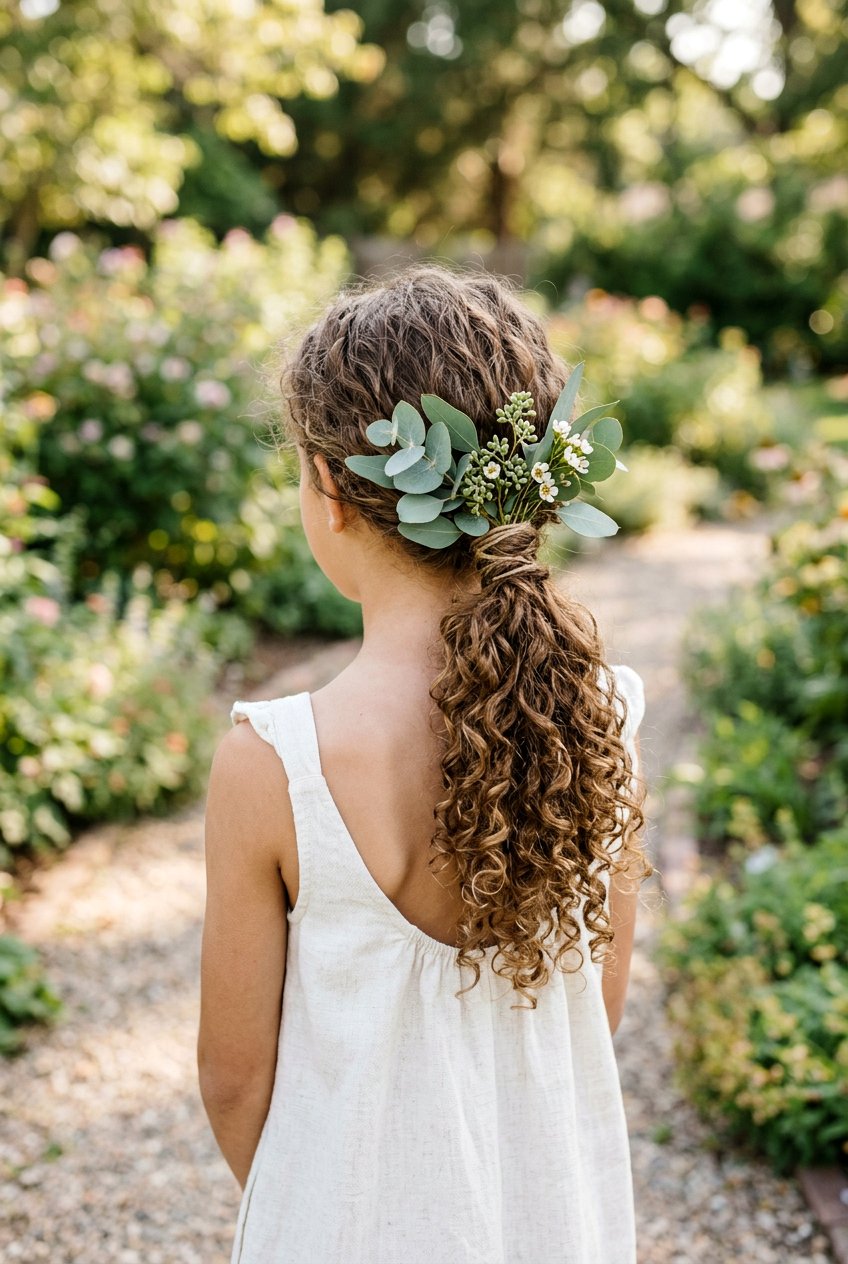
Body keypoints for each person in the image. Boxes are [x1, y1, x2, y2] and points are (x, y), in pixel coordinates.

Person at [197, 263, 652, 1264]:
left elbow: (233, 1079)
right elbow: (601, 1000)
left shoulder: (275, 763)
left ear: (330, 492)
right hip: (551, 1224)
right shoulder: (606, 718)